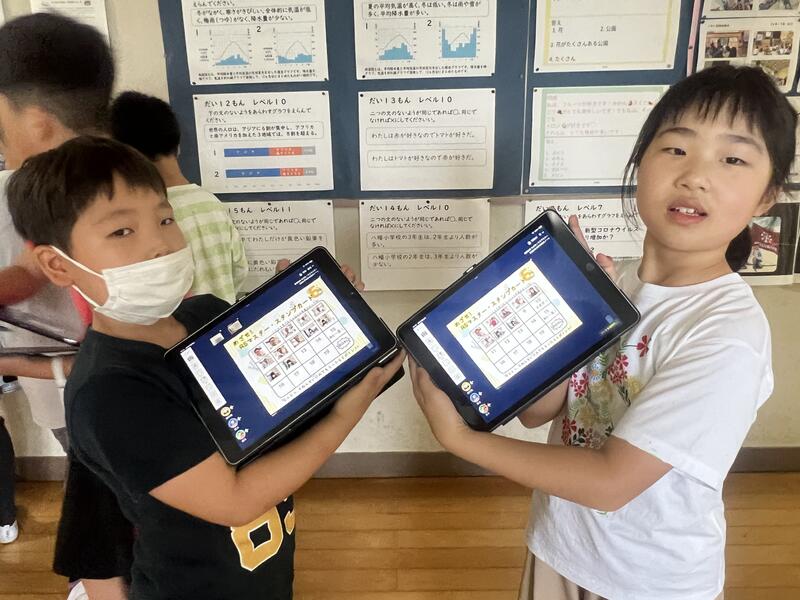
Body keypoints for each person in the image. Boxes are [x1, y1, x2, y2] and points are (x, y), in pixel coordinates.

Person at [410, 65, 795, 600]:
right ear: (640, 163)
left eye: (732, 159)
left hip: (647, 581)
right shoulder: (617, 283)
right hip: (560, 545)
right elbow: (540, 411)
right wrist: (557, 311)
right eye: (676, 148)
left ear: (766, 196)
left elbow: (612, 483)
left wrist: (460, 439)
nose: (695, 176)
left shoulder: (727, 335)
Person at [8, 136, 404, 599]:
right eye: (122, 231)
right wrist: (345, 415)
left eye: (165, 219)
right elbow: (234, 499)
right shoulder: (110, 391)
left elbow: (275, 412)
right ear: (57, 264)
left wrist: (303, 314)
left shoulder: (207, 316)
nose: (160, 244)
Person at [0, 13, 109, 563]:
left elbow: (25, 276)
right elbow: (27, 274)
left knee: (110, 505)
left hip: (92, 391)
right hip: (85, 386)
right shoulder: (125, 174)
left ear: (39, 122)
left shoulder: (56, 191)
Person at [110, 91, 248, 304]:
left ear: (127, 157)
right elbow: (239, 270)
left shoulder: (146, 218)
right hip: (225, 317)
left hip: (178, 325)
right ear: (178, 144)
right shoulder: (210, 202)